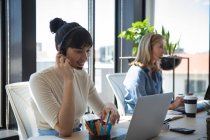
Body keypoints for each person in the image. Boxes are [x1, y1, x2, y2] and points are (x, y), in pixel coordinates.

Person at [29, 17, 120, 137]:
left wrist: (110, 107)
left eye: (87, 51)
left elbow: (102, 112)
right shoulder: (39, 80)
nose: (85, 58)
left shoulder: (83, 76)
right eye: (78, 51)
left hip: (78, 136)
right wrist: (68, 79)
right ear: (60, 49)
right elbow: (64, 130)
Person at [123, 33, 184, 114]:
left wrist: (176, 102)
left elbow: (159, 100)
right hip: (135, 117)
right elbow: (143, 106)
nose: (163, 51)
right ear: (149, 48)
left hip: (153, 115)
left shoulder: (157, 72)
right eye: (160, 47)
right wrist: (172, 106)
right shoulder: (137, 72)